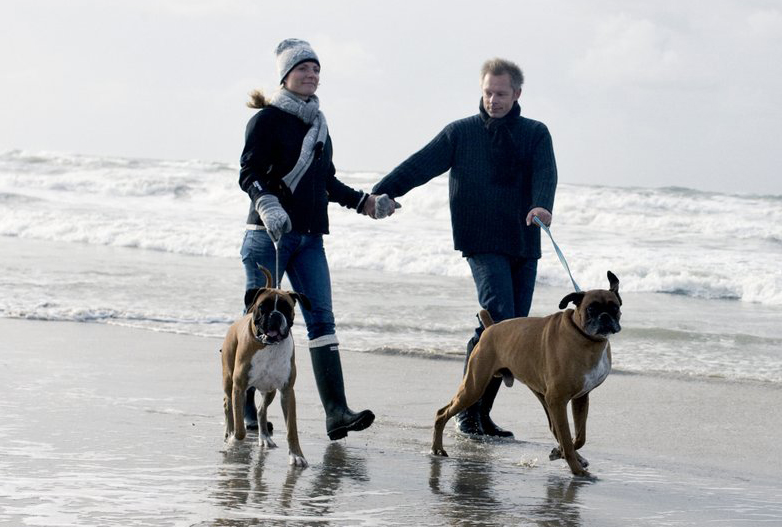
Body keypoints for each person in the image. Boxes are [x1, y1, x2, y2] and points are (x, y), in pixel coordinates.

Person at [372, 58, 557, 438]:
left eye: (501, 93)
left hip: (523, 240)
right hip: (481, 239)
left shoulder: (536, 133)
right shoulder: (460, 133)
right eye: (488, 92)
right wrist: (382, 191)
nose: (493, 100)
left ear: (517, 94)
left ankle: (479, 414)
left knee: (511, 334)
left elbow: (545, 172)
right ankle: (465, 411)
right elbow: (421, 164)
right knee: (499, 317)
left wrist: (542, 204)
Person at [237, 38, 393, 441]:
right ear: (286, 75)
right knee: (261, 320)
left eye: (316, 69)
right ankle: (247, 408)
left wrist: (365, 202)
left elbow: (326, 182)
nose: (311, 75)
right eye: (303, 69)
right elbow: (248, 173)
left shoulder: (320, 124)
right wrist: (268, 203)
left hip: (310, 240)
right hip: (267, 235)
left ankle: (336, 413)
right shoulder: (266, 120)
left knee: (322, 319)